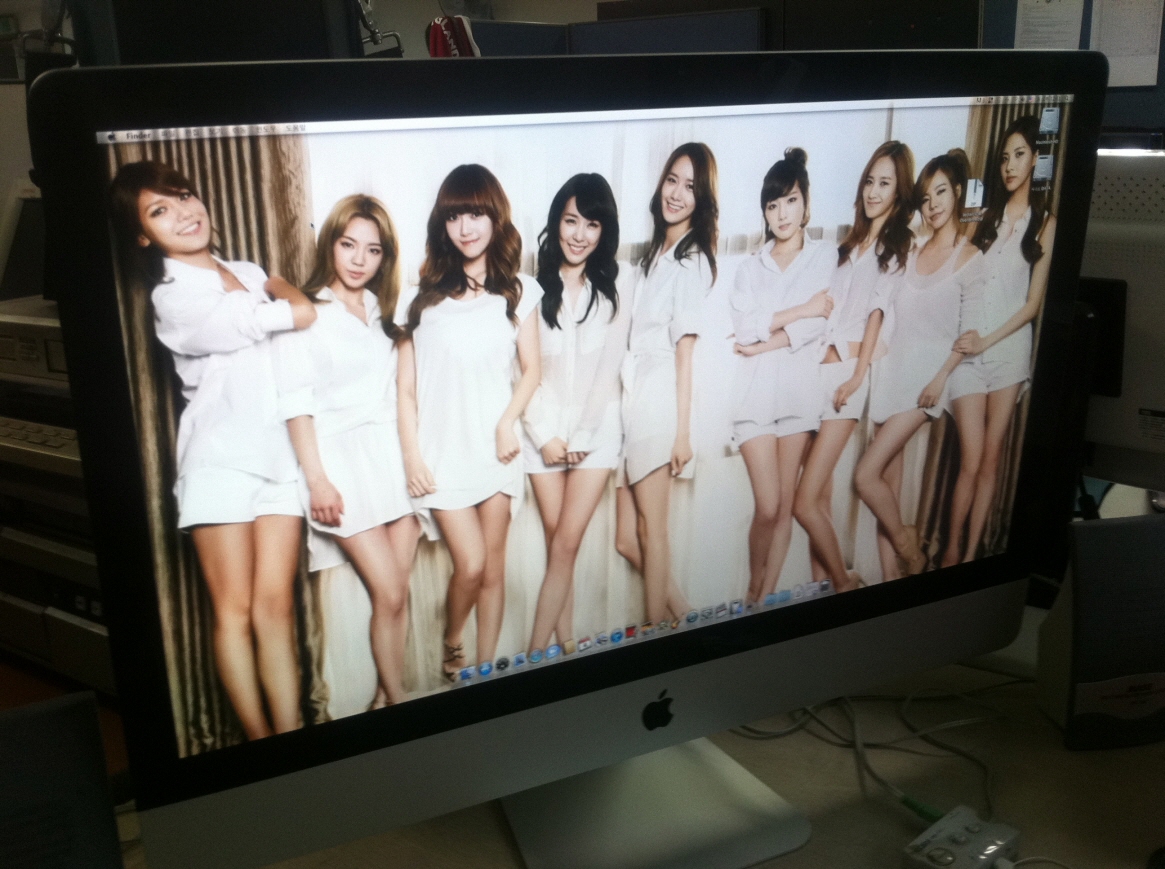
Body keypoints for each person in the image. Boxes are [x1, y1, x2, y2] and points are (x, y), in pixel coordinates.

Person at [109, 160, 316, 740]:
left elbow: (293, 317)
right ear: (144, 236)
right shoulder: (172, 298)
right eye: (160, 210)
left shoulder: (246, 271)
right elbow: (299, 311)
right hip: (219, 460)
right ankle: (259, 746)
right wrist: (281, 287)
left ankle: (292, 738)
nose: (183, 212)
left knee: (276, 608)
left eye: (183, 196)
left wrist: (274, 285)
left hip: (280, 457)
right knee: (234, 611)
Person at [273, 194, 421, 708]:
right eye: (348, 244)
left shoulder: (387, 312)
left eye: (373, 250)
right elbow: (296, 404)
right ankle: (401, 703)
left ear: (385, 257)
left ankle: (384, 701)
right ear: (329, 245)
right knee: (390, 591)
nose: (359, 260)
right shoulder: (306, 311)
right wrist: (317, 480)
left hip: (393, 459)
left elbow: (402, 392)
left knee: (397, 593)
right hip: (340, 463)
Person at [396, 164, 542, 681]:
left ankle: (486, 669)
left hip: (497, 451)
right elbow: (405, 389)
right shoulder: (418, 300)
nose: (466, 227)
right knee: (472, 564)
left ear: (495, 217)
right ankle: (454, 636)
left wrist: (507, 424)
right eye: (455, 216)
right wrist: (413, 457)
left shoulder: (519, 291)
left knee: (494, 568)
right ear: (443, 224)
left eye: (476, 214)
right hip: (442, 456)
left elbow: (533, 370)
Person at [793, 141, 914, 593]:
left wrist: (856, 376)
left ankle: (843, 584)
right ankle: (822, 591)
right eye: (869, 181)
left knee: (802, 502)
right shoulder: (847, 246)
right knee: (819, 497)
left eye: (884, 184)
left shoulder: (896, 247)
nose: (873, 191)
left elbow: (878, 315)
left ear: (899, 192)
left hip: (847, 375)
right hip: (815, 372)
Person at [856, 150, 981, 579]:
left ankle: (910, 551)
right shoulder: (911, 248)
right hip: (891, 373)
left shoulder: (971, 258)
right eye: (926, 198)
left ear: (957, 193)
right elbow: (887, 308)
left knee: (865, 475)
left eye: (941, 193)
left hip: (925, 383)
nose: (933, 205)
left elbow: (968, 336)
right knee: (886, 487)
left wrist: (940, 379)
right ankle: (890, 583)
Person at [522, 174, 630, 655]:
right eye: (571, 221)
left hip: (597, 431)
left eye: (592, 224)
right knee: (556, 542)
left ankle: (530, 659)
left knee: (565, 543)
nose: (579, 234)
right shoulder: (529, 289)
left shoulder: (616, 289)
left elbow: (609, 370)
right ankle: (565, 644)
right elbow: (522, 371)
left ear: (604, 231)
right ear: (556, 223)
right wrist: (544, 435)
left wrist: (583, 435)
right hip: (541, 431)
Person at [944, 116, 1057, 565]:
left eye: (1020, 155)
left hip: (1008, 350)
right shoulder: (985, 213)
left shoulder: (1045, 223)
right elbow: (957, 266)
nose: (1009, 165)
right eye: (1005, 157)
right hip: (970, 351)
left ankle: (970, 556)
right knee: (970, 460)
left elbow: (1032, 306)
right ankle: (950, 551)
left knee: (990, 461)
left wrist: (987, 340)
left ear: (1036, 160)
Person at [617, 142, 718, 623]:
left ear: (703, 199)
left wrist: (682, 433)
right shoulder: (655, 255)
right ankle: (689, 617)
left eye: (690, 186)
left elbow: (685, 351)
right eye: (672, 180)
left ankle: (654, 638)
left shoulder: (691, 259)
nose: (676, 193)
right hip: (632, 397)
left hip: (659, 401)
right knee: (627, 538)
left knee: (653, 533)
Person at [730, 147, 834, 604]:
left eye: (791, 201)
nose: (782, 214)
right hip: (753, 396)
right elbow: (744, 327)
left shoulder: (824, 256)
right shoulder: (749, 267)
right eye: (773, 205)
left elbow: (819, 325)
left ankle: (763, 601)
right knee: (768, 505)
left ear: (806, 203)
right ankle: (754, 587)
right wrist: (800, 309)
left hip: (798, 394)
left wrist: (765, 341)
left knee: (787, 506)